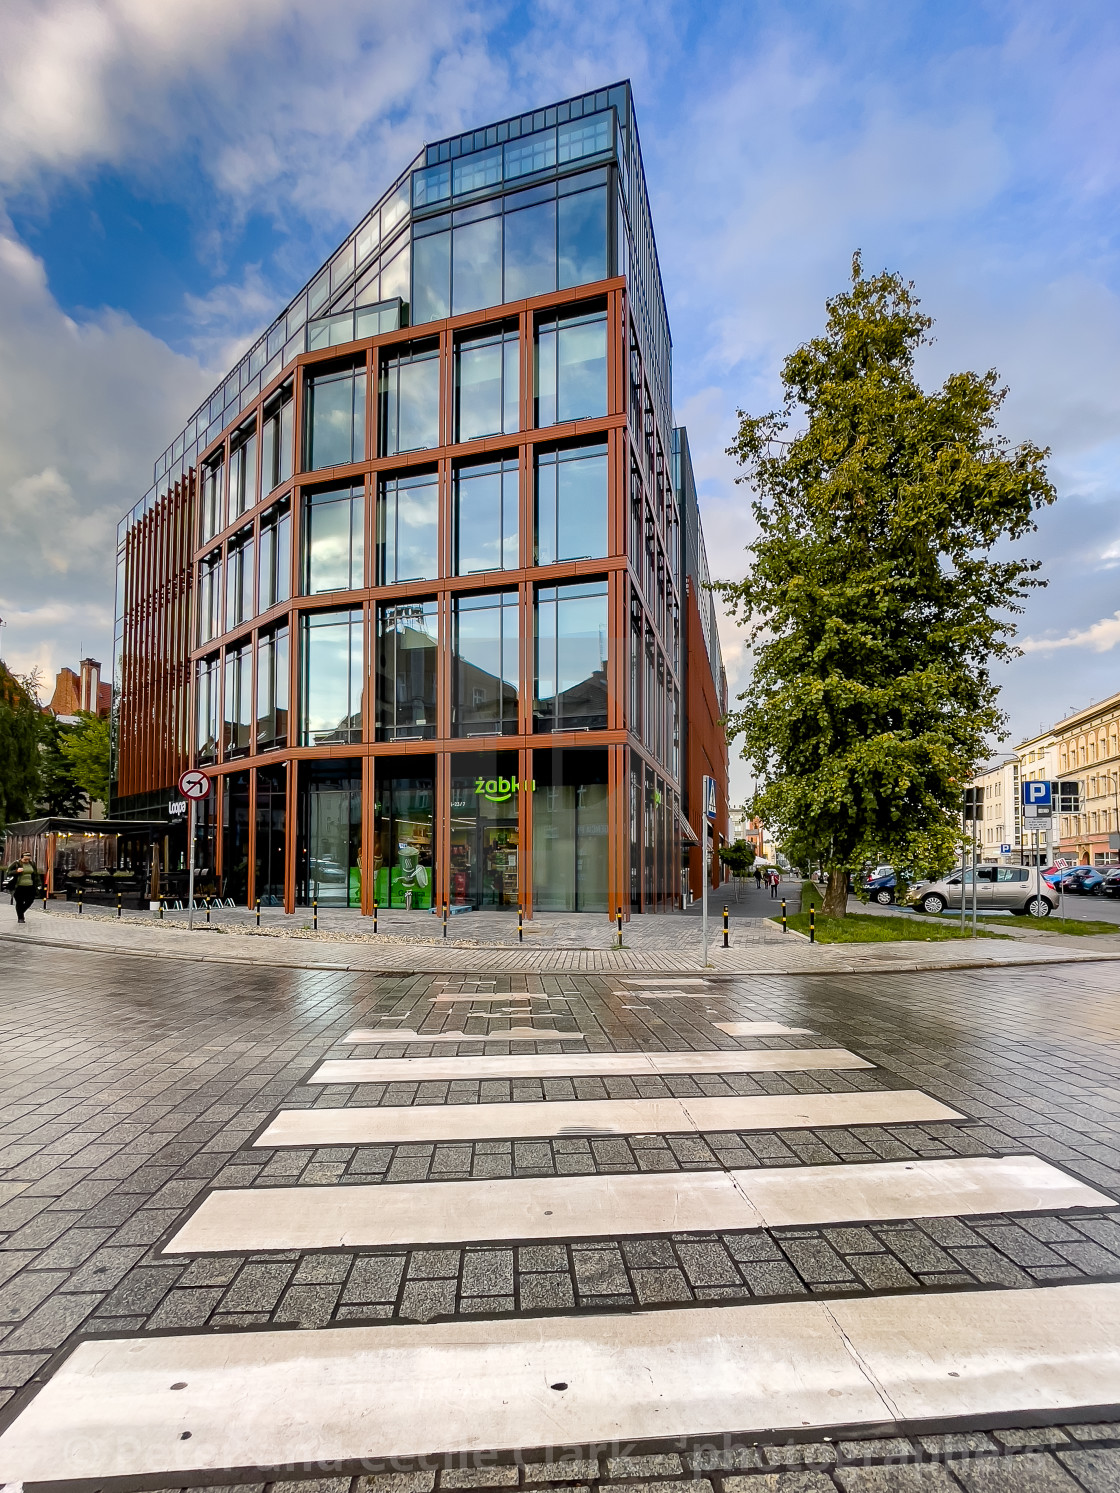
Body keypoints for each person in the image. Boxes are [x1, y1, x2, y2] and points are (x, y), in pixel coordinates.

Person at [6, 854, 39, 925]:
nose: (27, 861)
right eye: (25, 860)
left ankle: (21, 911)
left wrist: (38, 884)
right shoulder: (16, 863)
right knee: (19, 902)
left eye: (28, 859)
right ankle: (20, 918)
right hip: (19, 886)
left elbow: (36, 874)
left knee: (30, 900)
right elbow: (8, 872)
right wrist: (16, 871)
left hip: (30, 885)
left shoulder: (32, 864)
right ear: (21, 858)